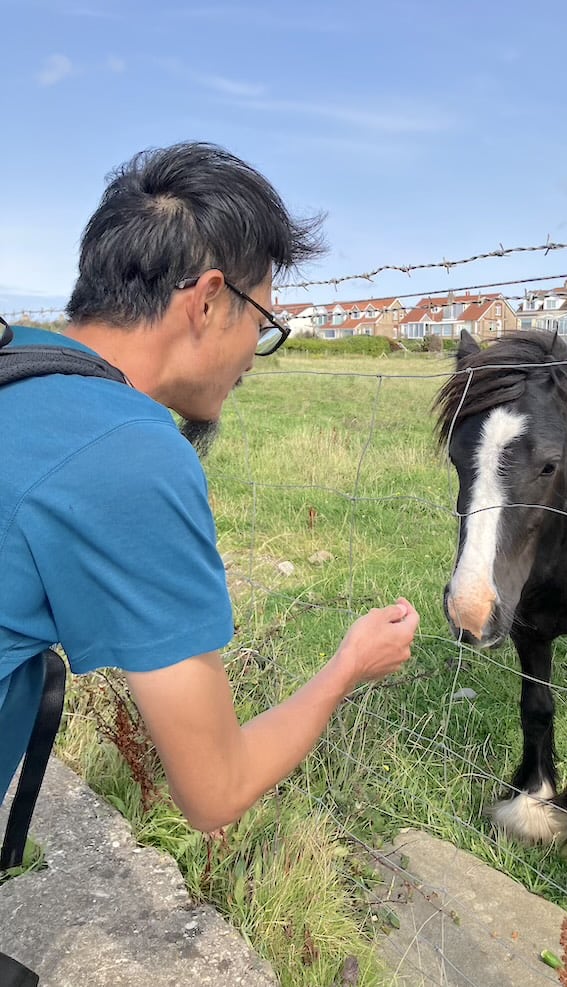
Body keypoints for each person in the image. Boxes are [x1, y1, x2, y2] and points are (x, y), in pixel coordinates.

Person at [0, 141, 419, 833]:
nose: (255, 357)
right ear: (208, 301)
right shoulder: (129, 453)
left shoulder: (17, 364)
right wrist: (348, 665)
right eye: (262, 324)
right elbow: (215, 789)